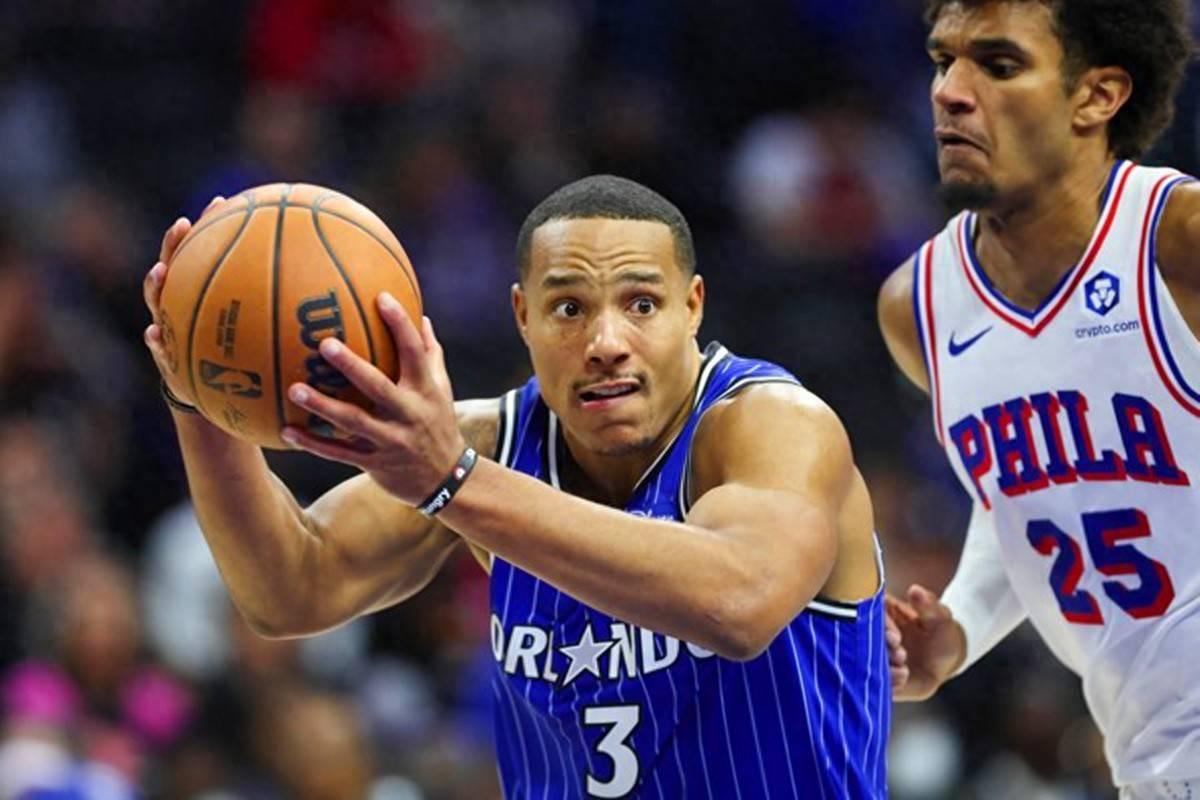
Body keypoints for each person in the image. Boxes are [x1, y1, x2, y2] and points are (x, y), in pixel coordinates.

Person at [143, 175, 889, 798]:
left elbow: (740, 602)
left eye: (641, 304)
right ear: (522, 316)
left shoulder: (773, 425)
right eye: (569, 308)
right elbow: (290, 590)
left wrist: (454, 485)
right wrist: (196, 397)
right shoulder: (486, 448)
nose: (605, 343)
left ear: (692, 307)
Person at [877, 0, 1200, 795]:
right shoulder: (919, 307)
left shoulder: (1178, 240)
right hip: (1151, 762)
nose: (951, 91)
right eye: (942, 61)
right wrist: (959, 627)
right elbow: (1027, 502)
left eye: (999, 64)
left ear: (1098, 95)